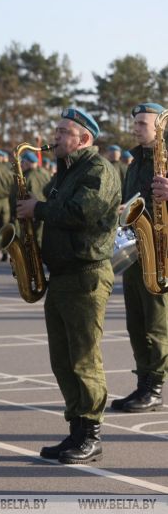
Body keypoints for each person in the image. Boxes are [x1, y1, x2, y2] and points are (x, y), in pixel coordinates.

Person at [17, 107, 119, 465]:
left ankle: (91, 434)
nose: (55, 137)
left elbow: (81, 213)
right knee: (62, 360)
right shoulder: (64, 172)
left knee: (84, 358)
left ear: (84, 139)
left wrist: (38, 209)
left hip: (86, 274)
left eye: (63, 132)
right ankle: (76, 428)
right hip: (61, 276)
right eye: (57, 131)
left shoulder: (98, 171)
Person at [111, 103, 167, 413]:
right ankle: (143, 383)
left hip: (161, 251)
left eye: (142, 123)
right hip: (136, 249)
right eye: (135, 123)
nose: (136, 127)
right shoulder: (134, 163)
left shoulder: (166, 159)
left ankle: (154, 387)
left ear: (160, 127)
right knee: (137, 323)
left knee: (157, 323)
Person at [9, 151, 50, 245]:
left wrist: (14, 211)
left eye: (22, 162)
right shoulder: (45, 173)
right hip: (45, 210)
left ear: (27, 163)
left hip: (31, 213)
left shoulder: (26, 177)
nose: (21, 165)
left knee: (32, 242)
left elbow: (19, 196)